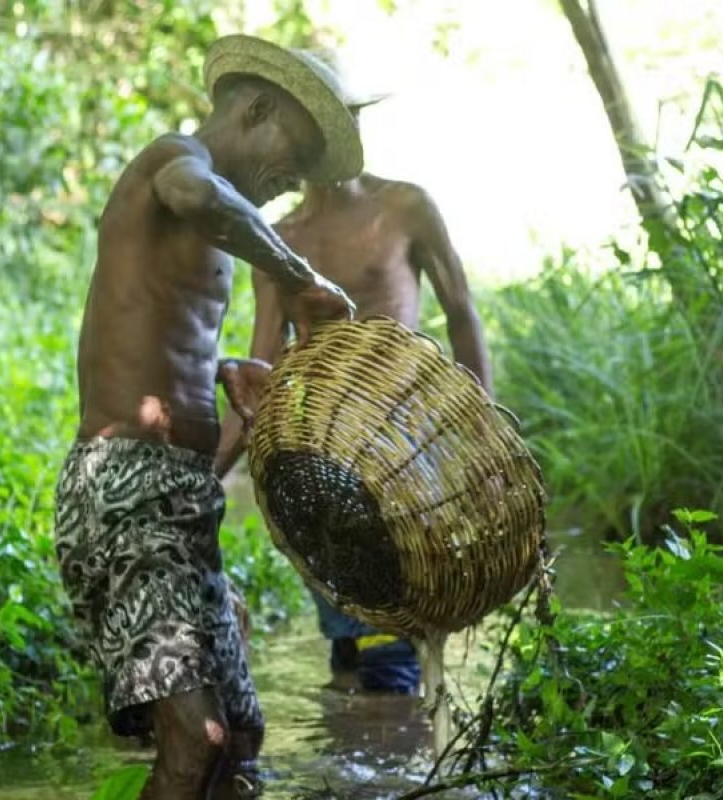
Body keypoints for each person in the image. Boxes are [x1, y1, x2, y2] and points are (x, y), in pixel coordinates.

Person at [52, 34, 364, 800]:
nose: (294, 180)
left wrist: (238, 398)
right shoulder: (173, 162)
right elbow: (198, 195)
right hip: (122, 490)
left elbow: (170, 366)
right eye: (296, 154)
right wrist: (298, 273)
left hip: (184, 496)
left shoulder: (215, 244)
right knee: (199, 741)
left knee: (241, 744)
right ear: (257, 108)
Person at [214, 65, 492, 697]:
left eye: (348, 122)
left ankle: (384, 744)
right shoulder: (280, 240)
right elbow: (263, 370)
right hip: (325, 460)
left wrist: (481, 426)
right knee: (348, 647)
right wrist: (209, 477)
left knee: (390, 631)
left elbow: (462, 315)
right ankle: (369, 756)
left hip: (407, 447)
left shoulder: (405, 207)